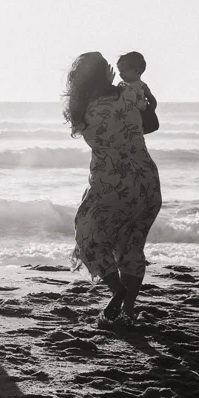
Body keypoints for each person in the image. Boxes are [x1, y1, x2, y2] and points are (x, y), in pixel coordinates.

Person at [65, 51, 163, 326]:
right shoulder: (128, 94)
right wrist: (144, 98)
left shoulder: (81, 109)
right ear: (107, 72)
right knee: (132, 245)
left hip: (109, 182)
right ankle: (128, 310)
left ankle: (117, 291)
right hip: (145, 182)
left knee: (87, 236)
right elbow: (151, 125)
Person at [116, 51, 160, 134]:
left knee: (152, 125)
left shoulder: (141, 85)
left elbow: (151, 98)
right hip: (129, 113)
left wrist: (151, 109)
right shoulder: (122, 86)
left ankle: (138, 134)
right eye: (119, 71)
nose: (120, 74)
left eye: (123, 71)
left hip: (142, 111)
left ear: (136, 70)